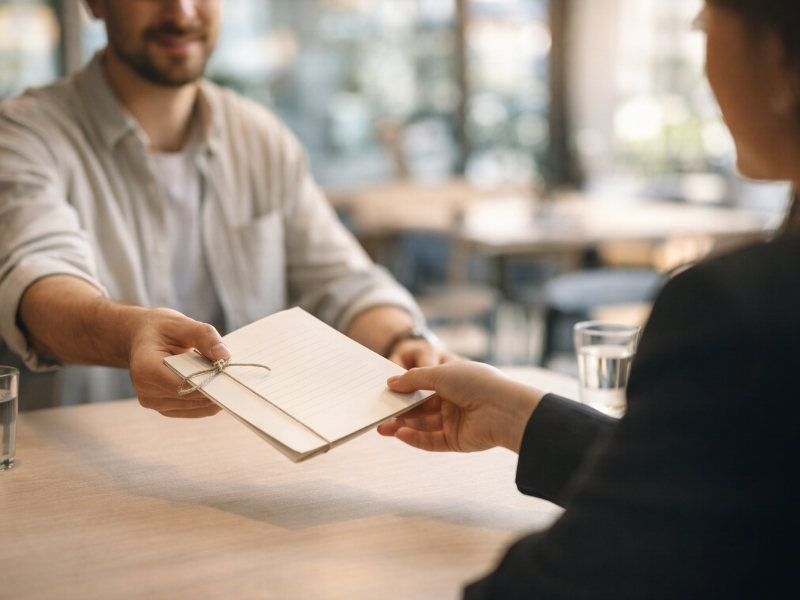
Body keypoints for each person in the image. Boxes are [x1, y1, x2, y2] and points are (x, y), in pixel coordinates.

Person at [378, 1, 799, 597]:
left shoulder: (737, 309)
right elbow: (720, 482)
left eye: (703, 25)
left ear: (779, 53)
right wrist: (522, 417)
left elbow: (586, 572)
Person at [0, 0, 455, 414]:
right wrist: (128, 334)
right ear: (95, 4)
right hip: (80, 480)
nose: (180, 12)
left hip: (248, 471)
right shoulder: (22, 136)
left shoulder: (260, 138)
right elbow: (37, 288)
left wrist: (404, 339)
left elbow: (340, 281)